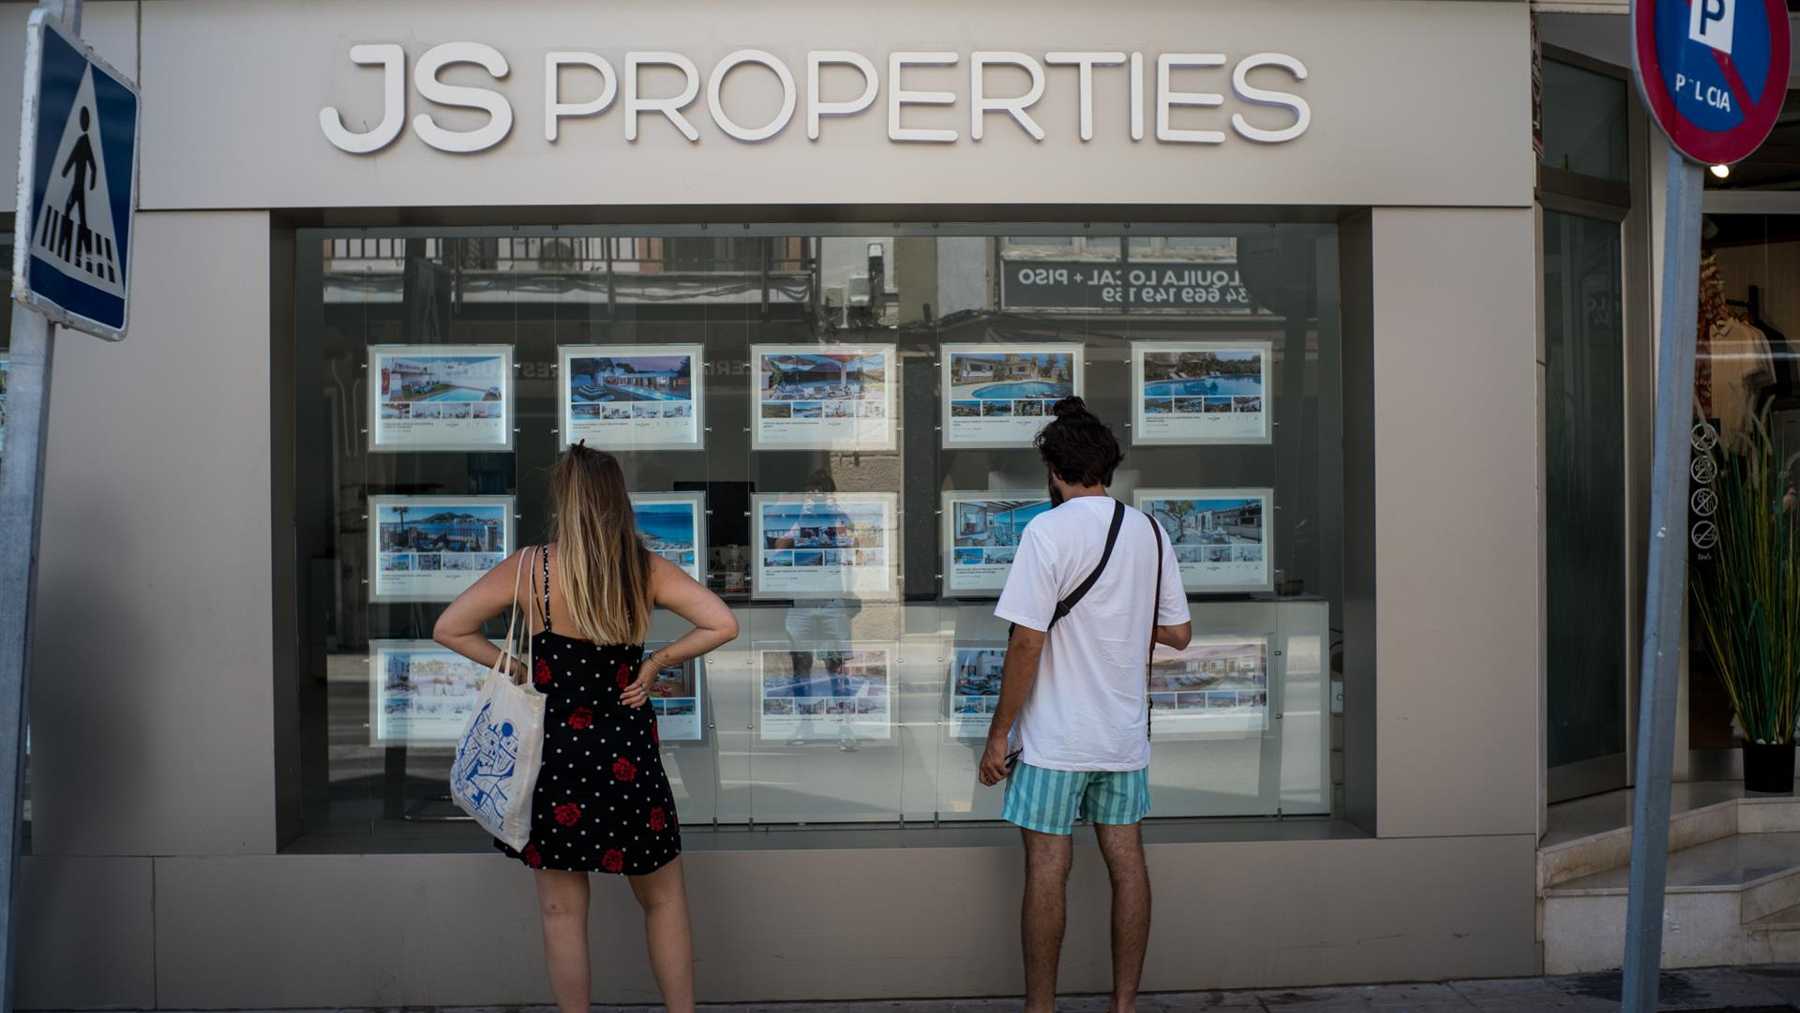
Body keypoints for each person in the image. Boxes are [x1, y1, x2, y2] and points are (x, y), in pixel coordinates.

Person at [435, 444, 738, 1013]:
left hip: (554, 756)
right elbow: (722, 622)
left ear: (565, 499)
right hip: (628, 753)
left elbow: (450, 628)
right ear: (616, 500)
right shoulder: (644, 569)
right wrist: (655, 664)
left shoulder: (530, 569)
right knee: (664, 900)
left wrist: (522, 670)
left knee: (561, 911)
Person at [977, 397, 1192, 1013]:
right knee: (1128, 865)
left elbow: (1027, 640)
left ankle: (1041, 1008)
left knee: (1048, 869)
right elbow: (1178, 634)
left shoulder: (1045, 531)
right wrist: (1120, 616)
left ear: (1053, 469)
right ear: (1107, 467)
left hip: (1055, 741)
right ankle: (1123, 1006)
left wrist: (999, 735)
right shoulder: (1149, 530)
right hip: (1123, 738)